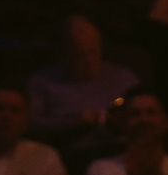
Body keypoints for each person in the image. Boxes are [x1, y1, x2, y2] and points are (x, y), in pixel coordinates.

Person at [26, 15, 140, 155]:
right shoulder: (44, 81)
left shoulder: (124, 79)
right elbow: (32, 123)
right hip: (69, 155)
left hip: (119, 154)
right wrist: (73, 123)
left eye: (93, 52)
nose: (88, 61)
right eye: (79, 55)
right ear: (65, 53)